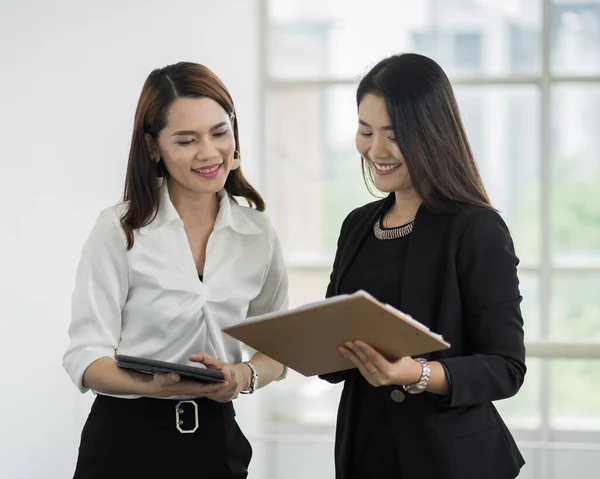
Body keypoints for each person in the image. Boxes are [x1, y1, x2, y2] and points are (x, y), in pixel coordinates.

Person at [63, 62, 288, 479]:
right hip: (126, 442)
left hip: (217, 443)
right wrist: (154, 385)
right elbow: (86, 357)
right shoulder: (121, 229)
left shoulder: (257, 231)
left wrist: (244, 375)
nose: (209, 153)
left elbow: (277, 347)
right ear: (153, 147)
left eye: (220, 132)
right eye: (186, 140)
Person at [319, 53, 526, 479]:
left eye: (394, 135)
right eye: (365, 131)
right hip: (365, 452)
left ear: (430, 133)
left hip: (450, 461)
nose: (376, 150)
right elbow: (335, 357)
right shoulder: (358, 225)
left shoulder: (476, 228)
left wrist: (419, 373)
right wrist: (309, 345)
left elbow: (506, 368)